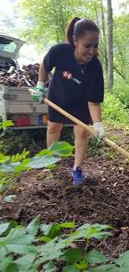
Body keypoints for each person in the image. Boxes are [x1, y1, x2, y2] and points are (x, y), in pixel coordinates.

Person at [31, 17, 105, 185]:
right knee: (53, 128)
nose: (92, 51)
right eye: (87, 45)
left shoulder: (95, 67)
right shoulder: (60, 51)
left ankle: (77, 169)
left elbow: (93, 102)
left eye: (95, 45)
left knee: (82, 132)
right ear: (75, 40)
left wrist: (98, 124)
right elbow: (44, 65)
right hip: (58, 97)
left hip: (81, 103)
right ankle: (52, 160)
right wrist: (40, 85)